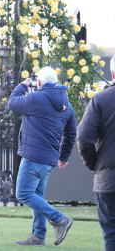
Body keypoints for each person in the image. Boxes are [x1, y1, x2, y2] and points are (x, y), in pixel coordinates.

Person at [8, 66, 77, 246]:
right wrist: (64, 156)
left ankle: (60, 219)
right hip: (49, 160)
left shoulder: (35, 98)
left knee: (23, 193)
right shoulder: (67, 105)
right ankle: (39, 236)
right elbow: (71, 134)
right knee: (36, 194)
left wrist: (22, 86)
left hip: (33, 157)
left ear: (39, 82)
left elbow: (12, 103)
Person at [77, 56, 115, 251]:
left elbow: (84, 137)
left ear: (113, 73)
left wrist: (94, 166)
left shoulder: (100, 99)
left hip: (108, 178)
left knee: (111, 235)